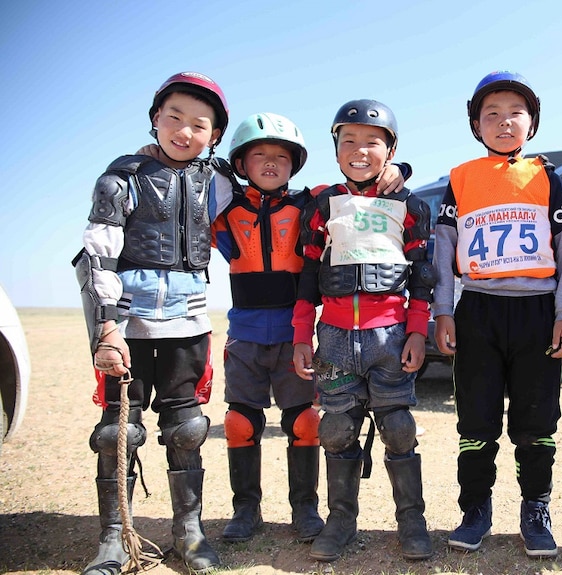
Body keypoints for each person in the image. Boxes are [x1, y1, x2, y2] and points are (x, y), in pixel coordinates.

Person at [213, 112, 408, 544]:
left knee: (304, 422)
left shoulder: (312, 201)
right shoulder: (225, 214)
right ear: (241, 164)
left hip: (294, 333)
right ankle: (246, 509)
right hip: (244, 333)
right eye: (258, 155)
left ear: (295, 163)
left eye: (280, 156)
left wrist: (399, 170)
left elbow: (362, 187)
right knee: (239, 422)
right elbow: (191, 185)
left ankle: (305, 509)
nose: (269, 163)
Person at [73, 71, 235, 574]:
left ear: (213, 136)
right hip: (128, 324)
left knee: (186, 429)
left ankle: (190, 534)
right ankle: (115, 538)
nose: (184, 131)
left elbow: (269, 181)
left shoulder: (221, 181)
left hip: (188, 322)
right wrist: (104, 329)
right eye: (175, 118)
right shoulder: (120, 179)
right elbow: (96, 255)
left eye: (199, 125)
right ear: (155, 119)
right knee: (116, 433)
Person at [431, 71, 562, 558]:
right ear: (476, 125)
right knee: (475, 420)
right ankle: (475, 510)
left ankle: (535, 509)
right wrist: (442, 311)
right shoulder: (461, 178)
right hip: (478, 308)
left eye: (514, 113)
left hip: (537, 311)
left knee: (537, 420)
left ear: (531, 124)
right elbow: (443, 248)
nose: (503, 122)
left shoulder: (546, 177)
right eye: (491, 115)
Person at [292, 99, 436, 562]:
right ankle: (340, 522)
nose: (359, 150)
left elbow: (423, 276)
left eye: (372, 141)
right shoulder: (320, 205)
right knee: (335, 430)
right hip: (334, 337)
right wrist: (301, 335)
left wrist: (417, 332)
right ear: (335, 150)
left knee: (398, 427)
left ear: (390, 150)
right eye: (347, 141)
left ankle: (412, 521)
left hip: (390, 337)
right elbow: (306, 276)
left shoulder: (409, 206)